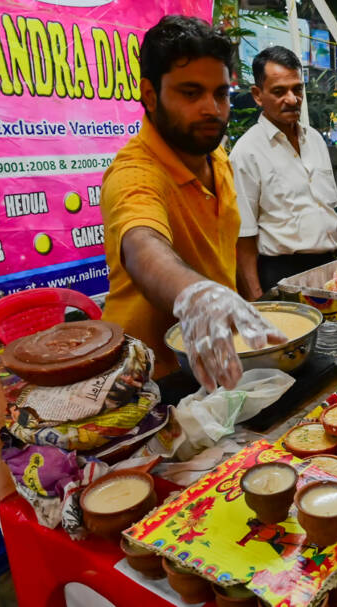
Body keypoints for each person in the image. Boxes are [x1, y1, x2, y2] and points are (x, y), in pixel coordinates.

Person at [100, 16, 284, 391]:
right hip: (150, 384)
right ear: (150, 95)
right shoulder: (134, 173)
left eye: (220, 94)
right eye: (190, 93)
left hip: (213, 362)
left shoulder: (216, 158)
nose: (212, 109)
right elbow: (142, 245)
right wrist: (195, 295)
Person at [231, 46, 337, 300]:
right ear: (257, 95)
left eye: (297, 89)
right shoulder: (247, 153)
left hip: (330, 269)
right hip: (282, 276)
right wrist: (257, 302)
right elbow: (244, 241)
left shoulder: (315, 140)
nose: (292, 99)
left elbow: (326, 210)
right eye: (279, 91)